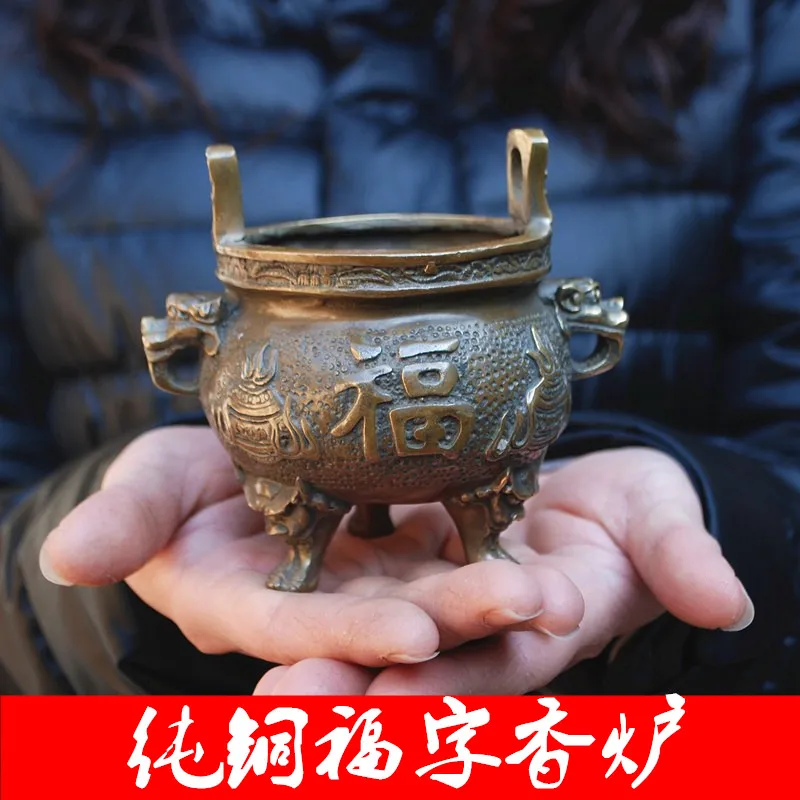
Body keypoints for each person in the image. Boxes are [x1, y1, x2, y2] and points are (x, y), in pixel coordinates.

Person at [0, 0, 798, 697]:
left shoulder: (744, 20)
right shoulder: (28, 35)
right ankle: (316, 545)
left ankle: (481, 529)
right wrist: (114, 597)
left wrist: (720, 508)